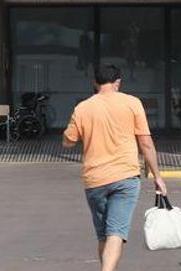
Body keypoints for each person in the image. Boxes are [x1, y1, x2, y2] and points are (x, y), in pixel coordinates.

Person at [62, 63, 167, 271]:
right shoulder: (132, 103)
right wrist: (157, 175)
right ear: (118, 82)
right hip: (126, 177)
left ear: (95, 82)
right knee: (115, 233)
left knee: (104, 236)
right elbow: (145, 142)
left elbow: (68, 142)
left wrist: (71, 134)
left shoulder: (83, 108)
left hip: (95, 180)